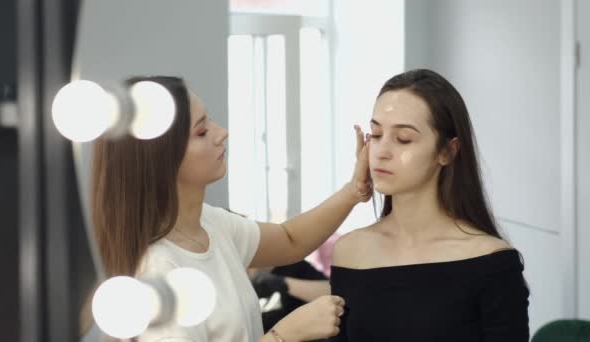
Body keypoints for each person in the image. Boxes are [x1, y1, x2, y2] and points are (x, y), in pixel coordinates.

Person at [92, 76, 372, 342]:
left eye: (209, 120)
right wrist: (286, 333)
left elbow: (290, 239)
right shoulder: (160, 271)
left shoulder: (210, 224)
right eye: (202, 131)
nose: (222, 133)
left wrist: (354, 191)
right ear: (163, 160)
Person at [329, 69, 530, 341]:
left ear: (447, 151)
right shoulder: (350, 252)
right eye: (375, 134)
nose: (382, 151)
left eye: (403, 139)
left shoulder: (491, 262)